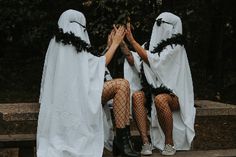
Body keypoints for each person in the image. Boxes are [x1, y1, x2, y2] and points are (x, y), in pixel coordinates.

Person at [37, 9, 139, 157]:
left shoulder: (56, 44)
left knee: (122, 86)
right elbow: (99, 64)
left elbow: (89, 67)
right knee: (122, 85)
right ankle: (122, 143)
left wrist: (109, 46)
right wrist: (116, 43)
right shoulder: (72, 43)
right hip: (81, 98)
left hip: (76, 96)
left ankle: (123, 142)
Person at [123, 12, 196, 156]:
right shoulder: (148, 46)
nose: (159, 28)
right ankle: (146, 143)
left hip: (175, 96)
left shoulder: (176, 47)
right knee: (137, 96)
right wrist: (121, 43)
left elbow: (154, 60)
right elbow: (135, 60)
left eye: (161, 25)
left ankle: (169, 144)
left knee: (160, 99)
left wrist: (132, 41)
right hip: (153, 92)